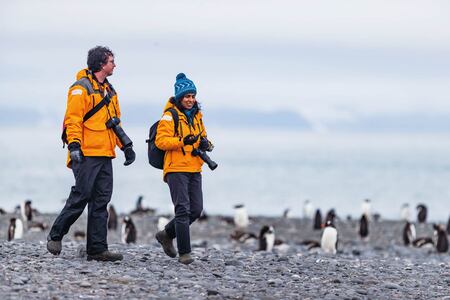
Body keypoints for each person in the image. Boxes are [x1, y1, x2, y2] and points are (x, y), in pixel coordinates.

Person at [46, 46, 136, 261]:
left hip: (105, 153)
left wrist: (126, 147)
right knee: (82, 196)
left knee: (101, 201)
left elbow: (114, 123)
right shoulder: (80, 88)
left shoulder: (110, 91)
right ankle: (55, 235)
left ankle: (97, 249)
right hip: (85, 153)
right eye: (111, 61)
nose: (115, 65)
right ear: (100, 64)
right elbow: (73, 119)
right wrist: (74, 145)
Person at [155, 73, 214, 264]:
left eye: (193, 96)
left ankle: (166, 234)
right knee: (182, 210)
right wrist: (182, 141)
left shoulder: (197, 116)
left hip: (194, 168)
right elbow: (161, 141)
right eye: (187, 96)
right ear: (180, 97)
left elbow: (202, 136)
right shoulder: (169, 116)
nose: (190, 100)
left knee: (196, 209)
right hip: (176, 167)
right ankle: (185, 253)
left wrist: (207, 144)